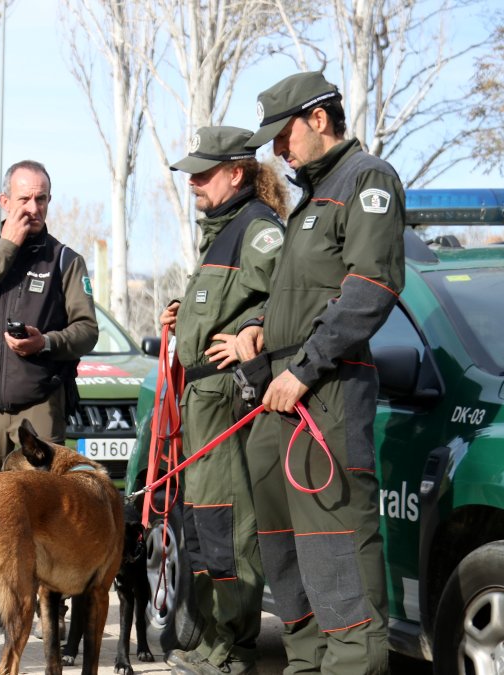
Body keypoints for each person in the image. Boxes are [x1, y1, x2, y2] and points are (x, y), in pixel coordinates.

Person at [240, 71, 405, 674]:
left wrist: (303, 369)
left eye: (282, 136)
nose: (277, 151)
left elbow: (370, 288)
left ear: (317, 118)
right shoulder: (312, 195)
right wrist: (263, 325)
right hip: (284, 396)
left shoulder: (367, 179)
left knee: (336, 547)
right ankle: (308, 665)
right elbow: (307, 292)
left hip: (326, 393)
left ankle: (353, 665)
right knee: (287, 550)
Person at [159, 127, 288, 675]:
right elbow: (228, 300)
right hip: (201, 402)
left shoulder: (258, 229)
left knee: (228, 527)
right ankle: (212, 639)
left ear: (237, 173)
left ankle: (232, 649)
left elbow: (289, 295)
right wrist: (181, 314)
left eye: (203, 172)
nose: (192, 181)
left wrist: (254, 330)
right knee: (206, 526)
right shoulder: (225, 231)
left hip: (228, 403)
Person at [0, 159, 98, 474]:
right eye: (24, 199)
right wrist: (7, 248)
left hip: (41, 402)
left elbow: (88, 330)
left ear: (49, 201)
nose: (32, 208)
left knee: (45, 507)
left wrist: (46, 342)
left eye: (41, 199)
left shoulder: (66, 261)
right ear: (5, 202)